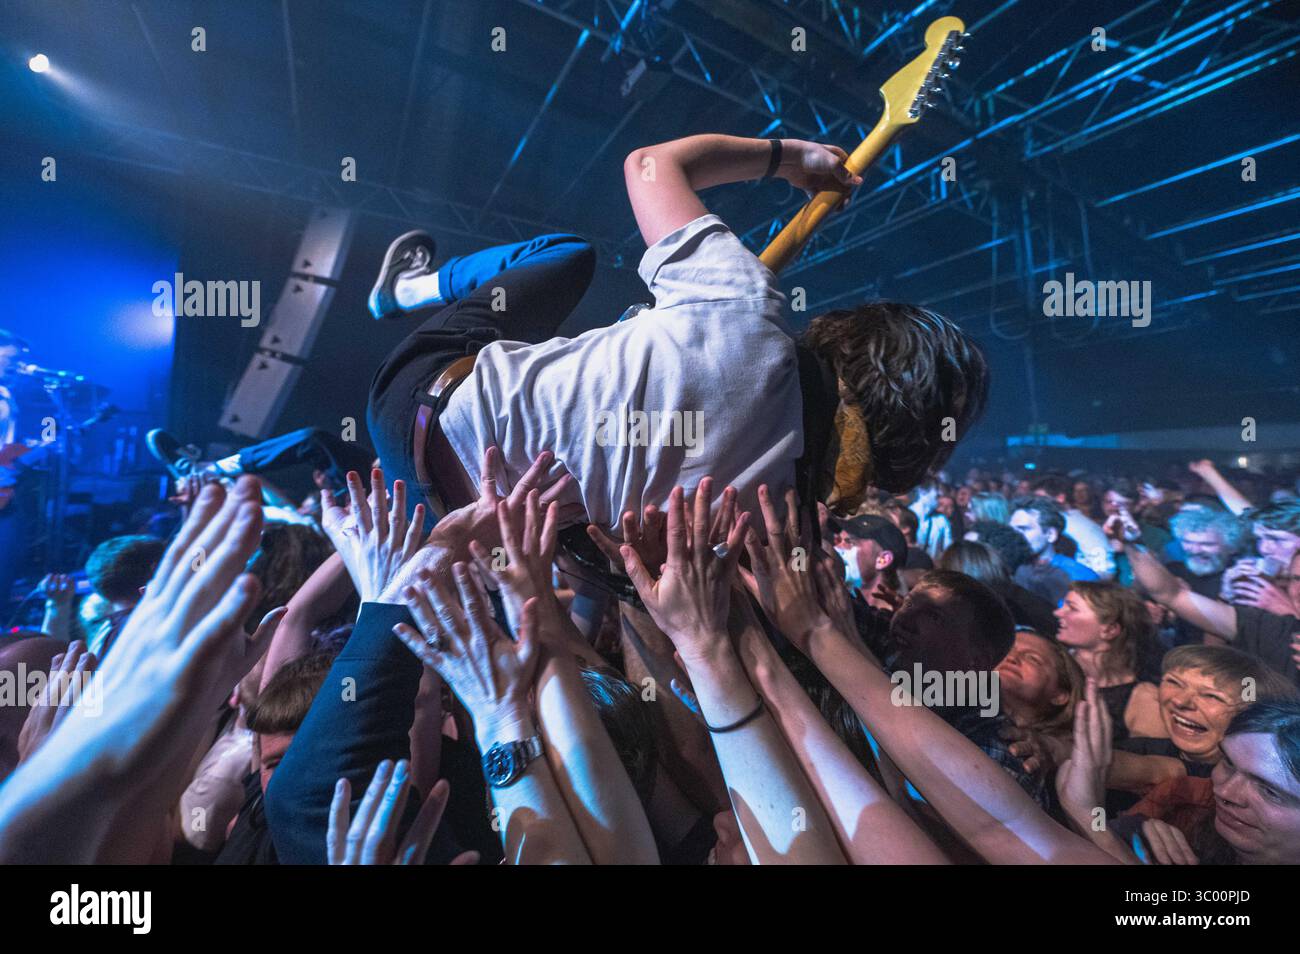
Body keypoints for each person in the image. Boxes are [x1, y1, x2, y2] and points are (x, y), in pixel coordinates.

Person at [365, 134, 989, 539]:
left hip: (417, 399)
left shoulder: (746, 309)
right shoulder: (773, 516)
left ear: (858, 334)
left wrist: (789, 158)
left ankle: (408, 292)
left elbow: (650, 164)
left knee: (566, 257)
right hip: (441, 513)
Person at [1054, 582, 1162, 740]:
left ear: (1109, 630)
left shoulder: (1145, 698)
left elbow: (1154, 763)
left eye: (1072, 608)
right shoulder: (1054, 669)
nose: (1057, 613)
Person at [1032, 475, 1114, 579]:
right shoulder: (1053, 522)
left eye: (1041, 499)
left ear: (1060, 498)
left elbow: (1106, 573)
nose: (1036, 504)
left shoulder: (1082, 527)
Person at [1009, 496, 1099, 589]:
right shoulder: (1011, 571)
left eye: (1024, 529)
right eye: (1011, 529)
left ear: (1051, 534)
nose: (1015, 535)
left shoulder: (1079, 577)